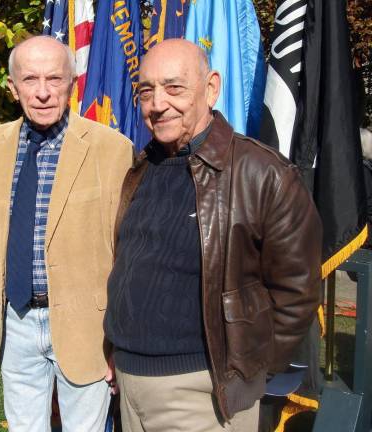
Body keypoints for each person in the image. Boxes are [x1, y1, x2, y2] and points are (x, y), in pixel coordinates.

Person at [103, 39, 322, 432]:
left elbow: (297, 292)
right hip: (130, 386)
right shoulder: (143, 167)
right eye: (146, 90)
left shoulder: (262, 174)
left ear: (211, 87)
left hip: (206, 397)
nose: (157, 103)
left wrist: (245, 372)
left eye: (174, 88)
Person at [0, 35, 132, 432]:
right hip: (15, 322)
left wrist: (119, 336)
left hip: (87, 327)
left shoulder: (112, 149)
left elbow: (126, 253)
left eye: (54, 79)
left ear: (73, 82)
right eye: (30, 79)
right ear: (12, 86)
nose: (41, 93)